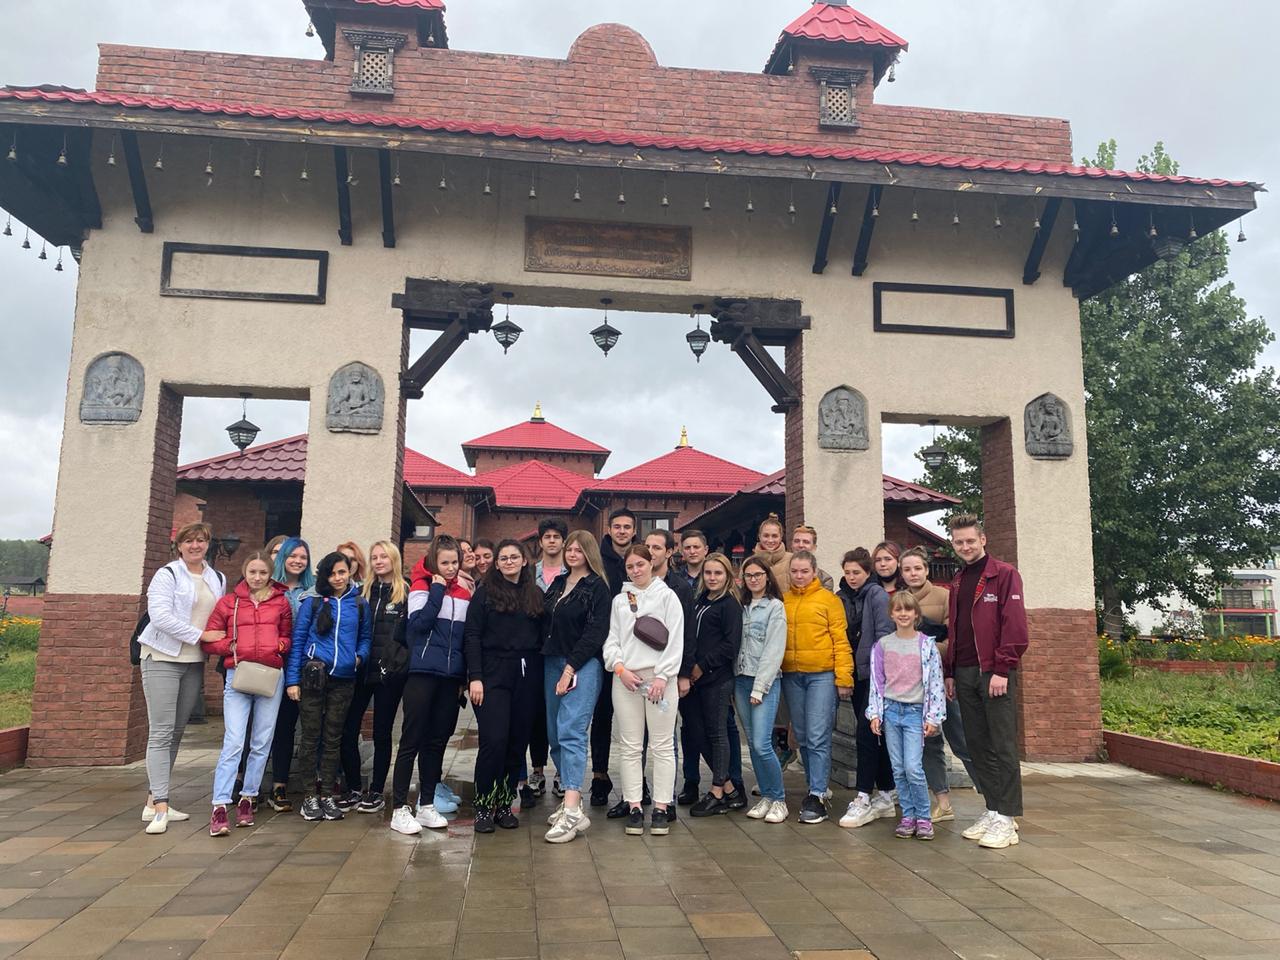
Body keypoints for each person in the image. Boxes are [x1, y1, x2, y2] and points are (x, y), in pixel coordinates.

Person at [943, 514, 1028, 850]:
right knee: (977, 746)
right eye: (959, 542)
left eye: (970, 540)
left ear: (983, 539)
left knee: (1002, 746)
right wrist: (950, 672)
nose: (965, 546)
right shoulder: (958, 581)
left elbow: (1015, 627)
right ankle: (993, 809)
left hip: (993, 672)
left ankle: (1007, 818)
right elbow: (956, 630)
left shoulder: (1004, 575)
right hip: (964, 673)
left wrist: (1002, 669)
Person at [137, 522, 227, 834]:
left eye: (201, 540)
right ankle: (161, 807)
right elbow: (160, 617)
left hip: (194, 661)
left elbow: (219, 617)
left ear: (208, 544)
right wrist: (200, 635)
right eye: (189, 541)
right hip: (162, 656)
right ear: (179, 546)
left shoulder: (217, 578)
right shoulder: (168, 574)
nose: (195, 546)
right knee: (160, 732)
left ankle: (153, 801)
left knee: (176, 732)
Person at [201, 551, 291, 836]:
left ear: (270, 574)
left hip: (270, 676)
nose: (257, 577)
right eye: (253, 572)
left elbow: (288, 636)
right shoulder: (229, 603)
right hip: (238, 675)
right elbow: (209, 639)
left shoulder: (281, 602)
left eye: (263, 572)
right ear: (245, 572)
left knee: (262, 741)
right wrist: (230, 647)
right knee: (234, 741)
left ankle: (247, 798)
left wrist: (279, 646)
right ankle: (219, 804)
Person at [390, 536, 471, 835]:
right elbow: (418, 625)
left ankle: (426, 804)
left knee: (436, 743)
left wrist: (463, 677)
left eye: (454, 562)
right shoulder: (421, 586)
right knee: (411, 741)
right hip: (422, 673)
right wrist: (436, 589)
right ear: (434, 562)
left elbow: (465, 638)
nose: (450, 568)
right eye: (444, 562)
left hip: (450, 678)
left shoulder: (464, 591)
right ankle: (399, 809)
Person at [602, 544, 685, 836]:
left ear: (651, 563)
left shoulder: (668, 596)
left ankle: (661, 807)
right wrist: (619, 668)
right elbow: (612, 639)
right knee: (630, 746)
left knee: (662, 746)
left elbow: (676, 640)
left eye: (640, 564)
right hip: (626, 679)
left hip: (660, 679)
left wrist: (663, 676)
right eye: (630, 566)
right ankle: (634, 805)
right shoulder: (620, 601)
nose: (636, 570)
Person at [465, 540, 544, 833]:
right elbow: (472, 635)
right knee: (494, 741)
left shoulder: (535, 594)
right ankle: (484, 806)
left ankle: (504, 803)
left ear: (524, 561)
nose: (509, 561)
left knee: (516, 743)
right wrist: (475, 676)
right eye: (504, 558)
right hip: (492, 674)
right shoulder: (485, 593)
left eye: (514, 557)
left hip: (526, 675)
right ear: (496, 564)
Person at [285, 552, 371, 822]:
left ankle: (326, 796)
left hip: (343, 679)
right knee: (311, 738)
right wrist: (292, 681)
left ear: (350, 572)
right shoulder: (312, 602)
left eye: (342, 572)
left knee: (333, 739)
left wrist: (358, 658)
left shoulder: (359, 603)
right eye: (332, 573)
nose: (337, 578)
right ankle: (309, 796)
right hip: (313, 677)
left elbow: (365, 637)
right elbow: (298, 641)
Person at [900, 546, 980, 822]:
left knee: (963, 740)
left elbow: (954, 639)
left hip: (944, 681)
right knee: (929, 745)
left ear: (926, 569)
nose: (913, 573)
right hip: (913, 686)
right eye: (907, 569)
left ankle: (994, 803)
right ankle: (943, 803)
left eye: (917, 568)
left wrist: (927, 652)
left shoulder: (944, 596)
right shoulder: (900, 600)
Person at [541, 531, 611, 842]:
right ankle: (573, 801)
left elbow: (596, 633)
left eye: (578, 550)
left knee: (571, 731)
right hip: (551, 662)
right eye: (569, 549)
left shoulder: (597, 587)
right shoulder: (558, 583)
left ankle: (571, 807)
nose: (572, 554)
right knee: (555, 734)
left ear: (589, 553)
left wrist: (570, 669)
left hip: (582, 665)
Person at [338, 541, 411, 814]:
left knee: (382, 733)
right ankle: (354, 788)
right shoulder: (361, 593)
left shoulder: (405, 592)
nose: (379, 561)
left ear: (394, 559)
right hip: (359, 671)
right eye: (374, 557)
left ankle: (377, 791)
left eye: (384, 556)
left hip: (388, 675)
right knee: (348, 730)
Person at [867, 590, 946, 840]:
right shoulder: (882, 645)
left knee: (913, 768)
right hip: (891, 712)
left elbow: (936, 683)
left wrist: (933, 717)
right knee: (899, 768)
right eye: (898, 609)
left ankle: (923, 817)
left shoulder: (926, 645)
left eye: (908, 609)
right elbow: (877, 682)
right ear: (891, 614)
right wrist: (875, 713)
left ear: (916, 614)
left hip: (914, 713)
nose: (903, 614)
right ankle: (908, 816)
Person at [780, 550, 850, 825]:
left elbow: (840, 640)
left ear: (814, 572)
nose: (799, 576)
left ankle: (817, 794)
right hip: (792, 675)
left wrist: (844, 678)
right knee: (802, 735)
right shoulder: (783, 600)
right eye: (794, 571)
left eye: (804, 571)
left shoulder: (829, 601)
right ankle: (814, 785)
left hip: (821, 675)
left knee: (818, 735)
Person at [680, 552, 745, 816]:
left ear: (727, 575)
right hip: (694, 680)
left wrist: (702, 666)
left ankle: (718, 790)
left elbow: (731, 645)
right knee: (697, 732)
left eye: (718, 573)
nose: (712, 577)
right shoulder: (699, 601)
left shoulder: (730, 605)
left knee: (717, 733)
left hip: (716, 679)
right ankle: (730, 787)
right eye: (708, 573)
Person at [837, 548, 897, 828]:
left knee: (865, 732)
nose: (852, 577)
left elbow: (883, 634)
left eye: (857, 572)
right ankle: (885, 793)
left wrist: (878, 673)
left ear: (867, 572)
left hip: (874, 674)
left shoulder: (876, 595)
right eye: (847, 572)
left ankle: (863, 796)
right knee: (874, 735)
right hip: (854, 674)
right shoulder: (841, 597)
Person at [590, 508, 638, 807]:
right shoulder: (597, 559)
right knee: (602, 715)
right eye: (617, 526)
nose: (622, 531)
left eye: (627, 527)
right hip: (603, 649)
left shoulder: (639, 558)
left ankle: (638, 781)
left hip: (637, 650)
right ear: (609, 529)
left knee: (635, 720)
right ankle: (600, 775)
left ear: (634, 530)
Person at [735, 556, 788, 823]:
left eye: (758, 574)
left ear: (767, 576)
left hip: (763, 682)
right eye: (749, 575)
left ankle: (779, 799)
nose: (753, 579)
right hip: (740, 680)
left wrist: (760, 688)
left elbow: (773, 650)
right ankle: (766, 795)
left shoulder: (775, 607)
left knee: (762, 743)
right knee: (753, 745)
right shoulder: (741, 606)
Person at [520, 518, 569, 803]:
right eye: (547, 536)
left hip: (561, 653)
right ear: (540, 541)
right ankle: (537, 770)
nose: (551, 541)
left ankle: (562, 772)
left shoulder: (572, 573)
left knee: (560, 714)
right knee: (536, 713)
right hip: (532, 652)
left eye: (556, 536)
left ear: (563, 541)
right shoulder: (529, 573)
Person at [267, 537, 315, 813]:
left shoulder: (312, 591)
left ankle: (279, 785)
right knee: (259, 727)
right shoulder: (269, 588)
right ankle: (245, 784)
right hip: (269, 664)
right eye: (292, 556)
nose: (298, 561)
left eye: (303, 557)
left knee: (286, 726)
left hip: (298, 666)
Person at [753, 514, 792, 592]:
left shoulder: (792, 560)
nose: (770, 540)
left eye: (774, 536)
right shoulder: (749, 562)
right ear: (759, 536)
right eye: (766, 536)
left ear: (781, 537)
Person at [791, 524, 835, 592]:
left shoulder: (825, 579)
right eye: (797, 541)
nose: (800, 545)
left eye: (806, 542)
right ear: (792, 545)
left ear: (814, 547)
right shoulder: (780, 572)